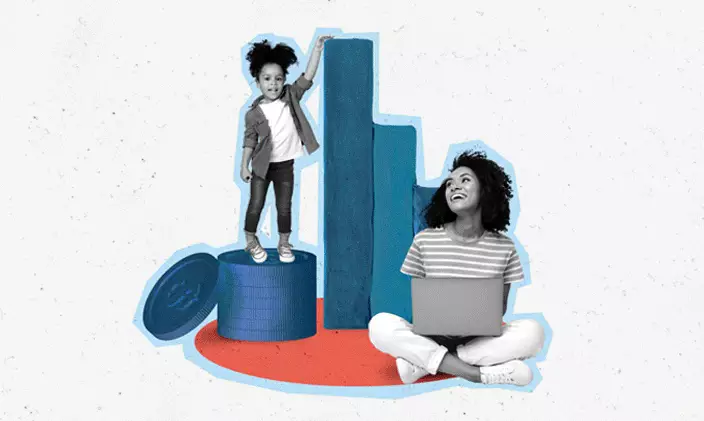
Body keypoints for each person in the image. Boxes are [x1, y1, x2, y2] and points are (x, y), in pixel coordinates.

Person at [368, 150, 545, 386]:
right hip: (431, 335)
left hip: (478, 340)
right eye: (449, 183)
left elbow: (499, 309)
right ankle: (475, 373)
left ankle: (425, 364)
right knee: (380, 325)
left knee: (533, 332)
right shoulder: (425, 240)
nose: (454, 187)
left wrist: (472, 314)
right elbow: (421, 304)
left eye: (465, 180)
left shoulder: (505, 247)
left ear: (486, 190)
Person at [240, 35, 332, 263]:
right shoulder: (253, 113)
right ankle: (251, 240)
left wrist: (317, 48)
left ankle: (283, 242)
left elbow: (308, 77)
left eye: (278, 79)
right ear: (258, 81)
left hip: (285, 165)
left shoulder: (291, 96)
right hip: (261, 168)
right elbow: (250, 141)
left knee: (284, 207)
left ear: (284, 81)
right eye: (267, 79)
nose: (273, 84)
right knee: (256, 205)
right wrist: (244, 166)